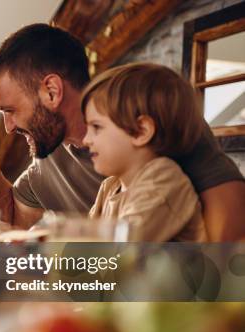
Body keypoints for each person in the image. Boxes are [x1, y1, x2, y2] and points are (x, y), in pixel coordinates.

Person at [0, 23, 245, 241]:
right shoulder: (56, 158)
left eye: (10, 110)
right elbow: (9, 223)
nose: (7, 128)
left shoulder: (160, 131)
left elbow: (226, 249)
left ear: (51, 91)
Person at [83, 63, 206, 241]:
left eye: (96, 127)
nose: (86, 140)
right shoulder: (110, 186)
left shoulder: (163, 180)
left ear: (141, 131)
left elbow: (119, 254)